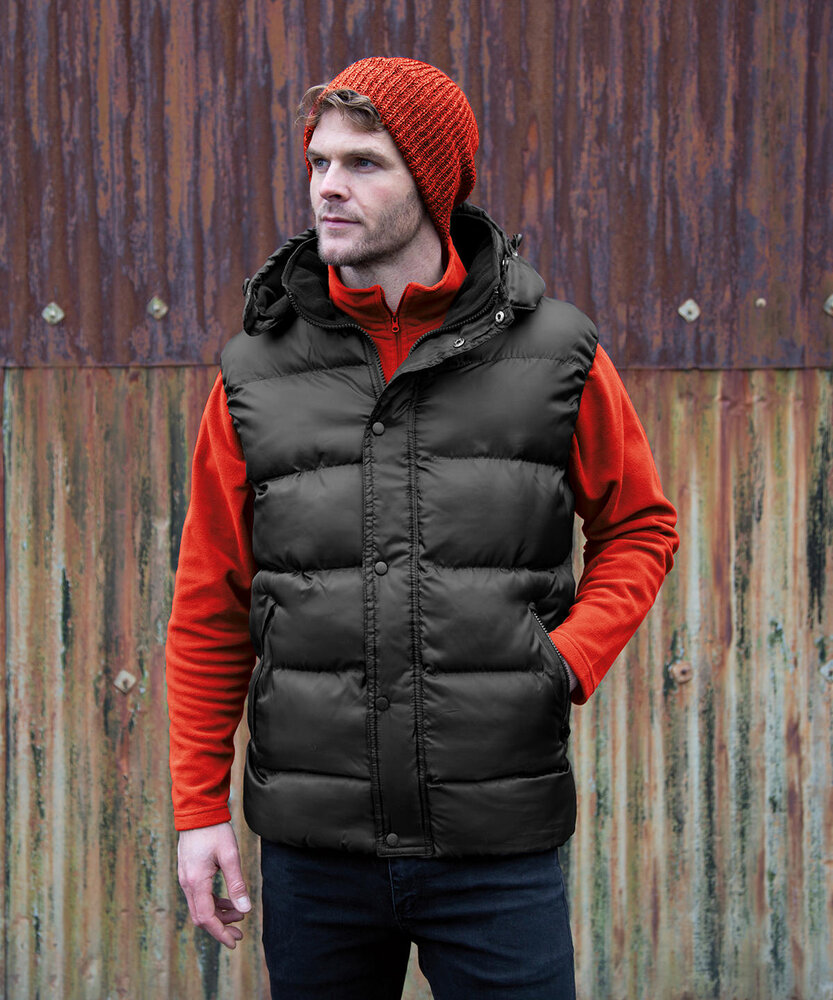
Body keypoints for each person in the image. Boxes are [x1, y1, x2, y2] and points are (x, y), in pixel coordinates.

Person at [166, 56, 679, 999]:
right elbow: (210, 600)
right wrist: (199, 810)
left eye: (363, 163)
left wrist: (566, 659)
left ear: (431, 184)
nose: (328, 186)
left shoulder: (554, 350)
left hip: (496, 846)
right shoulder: (255, 372)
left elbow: (640, 525)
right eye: (319, 161)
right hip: (315, 853)